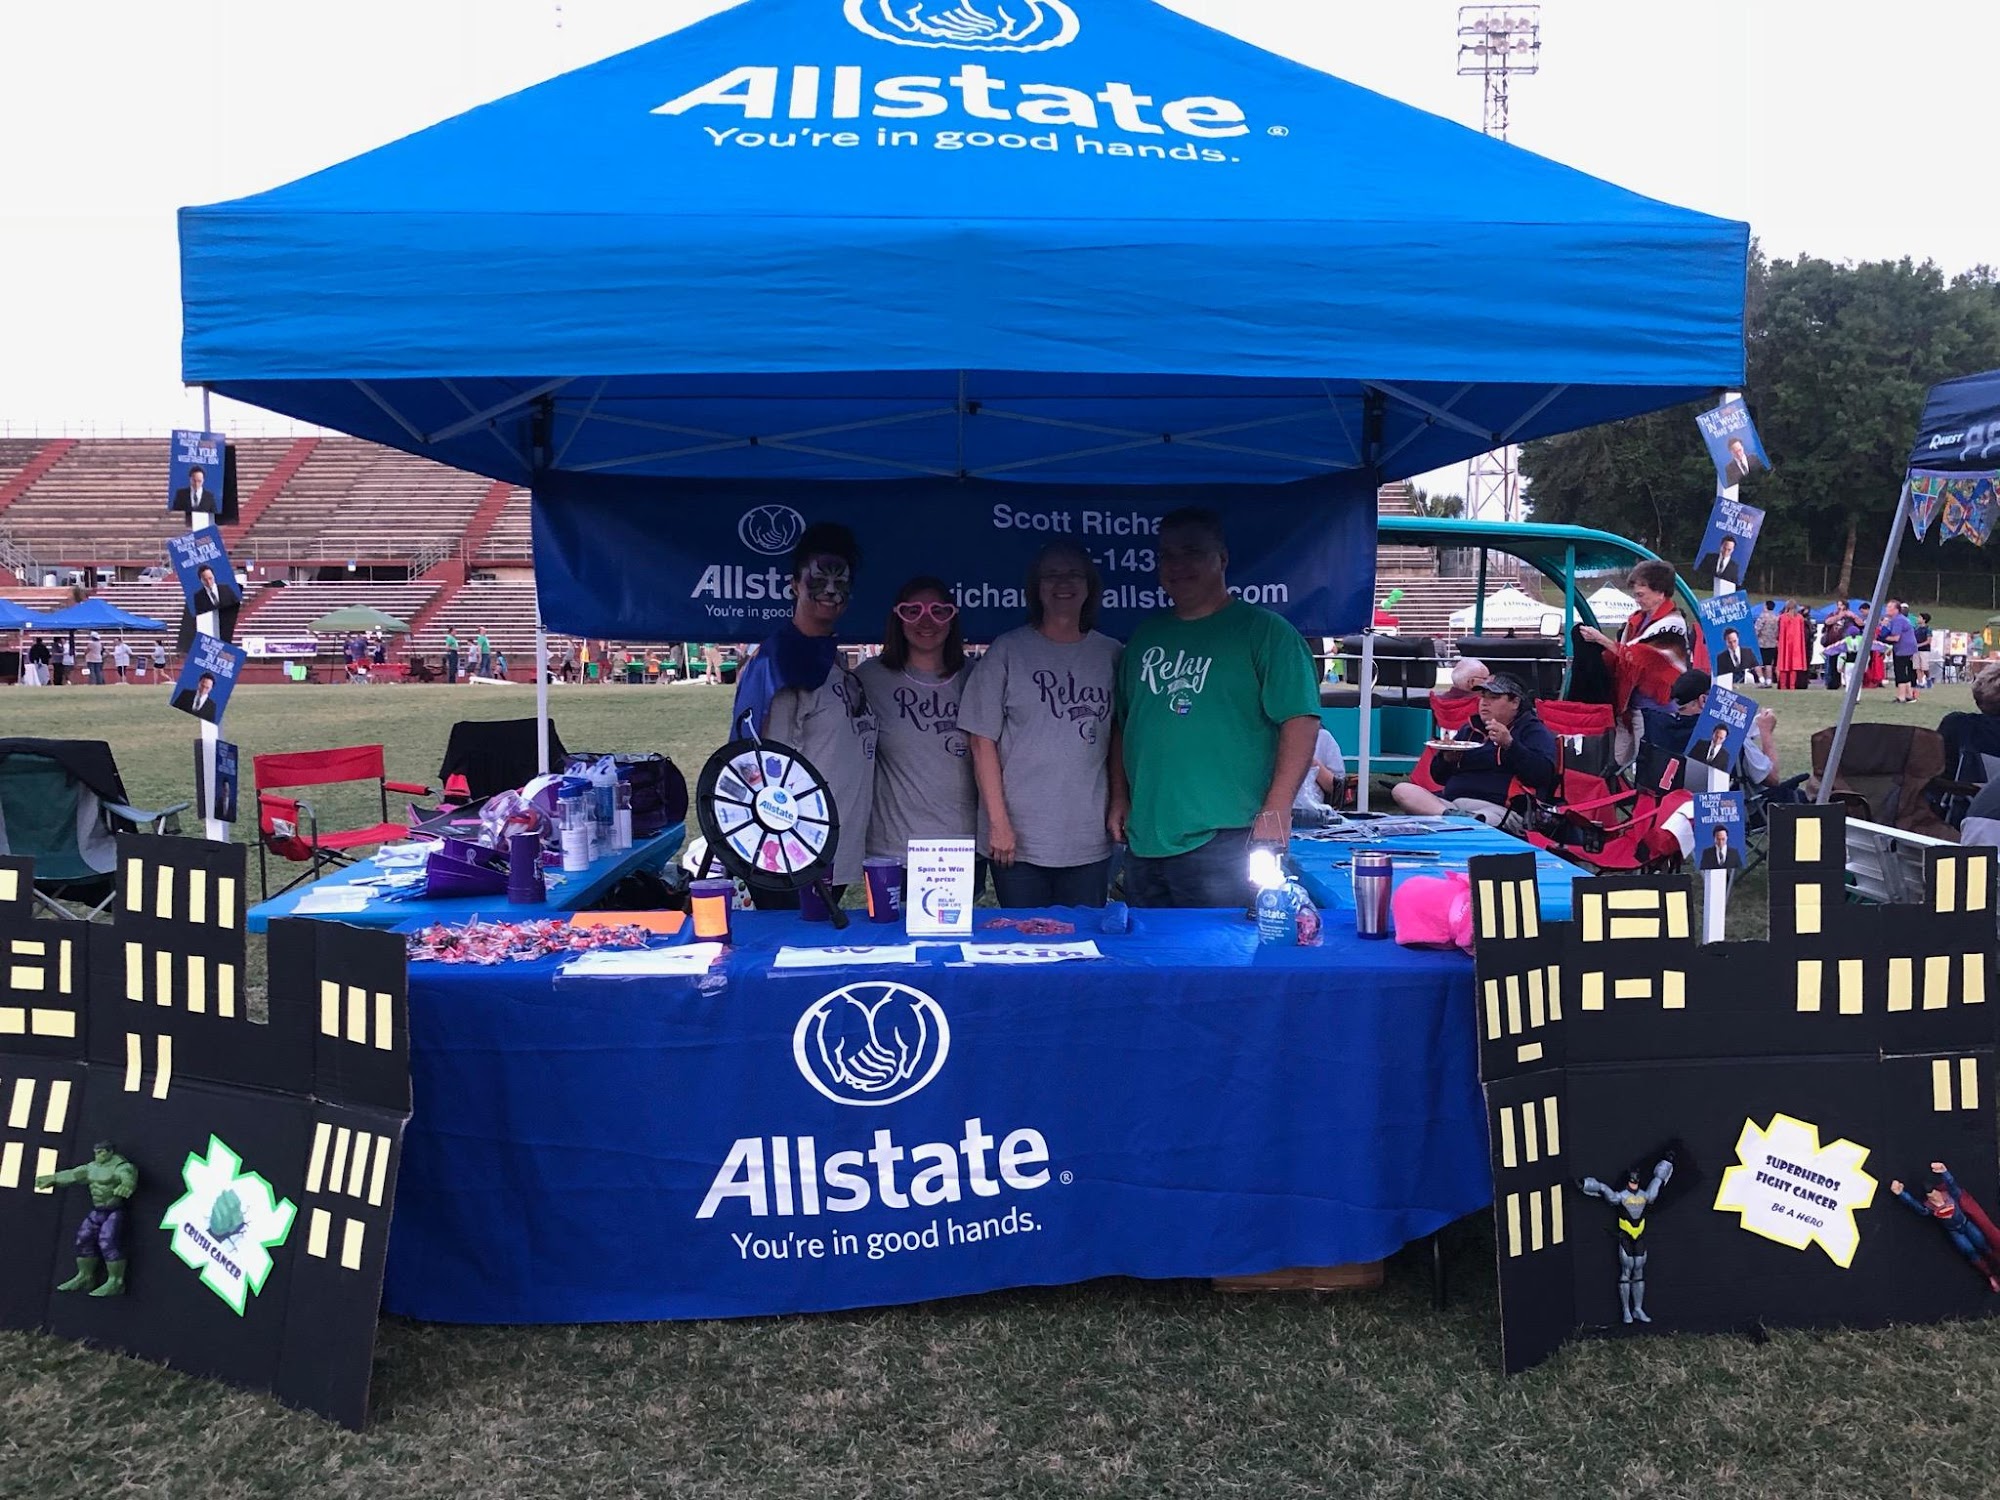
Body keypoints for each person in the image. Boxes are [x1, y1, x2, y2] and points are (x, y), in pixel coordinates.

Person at [1110, 508, 1321, 909]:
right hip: (1146, 839)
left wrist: (1277, 810)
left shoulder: (1266, 633)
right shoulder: (1145, 636)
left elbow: (1301, 720)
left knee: (1223, 947)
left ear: (1222, 559)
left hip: (1228, 838)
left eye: (1192, 552)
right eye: (1167, 555)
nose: (1177, 565)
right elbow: (1125, 724)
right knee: (1150, 948)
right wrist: (1119, 797)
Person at [961, 542, 1122, 908]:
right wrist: (999, 823)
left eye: (1073, 574)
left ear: (1090, 585)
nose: (1062, 583)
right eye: (1051, 575)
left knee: (1083, 940)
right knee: (1024, 939)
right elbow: (981, 742)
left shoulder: (1111, 653)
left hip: (1087, 838)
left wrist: (1119, 799)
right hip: (1018, 841)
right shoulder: (1007, 651)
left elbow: (1117, 736)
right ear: (1035, 587)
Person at [732, 523, 877, 906]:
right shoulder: (781, 664)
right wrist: (787, 854)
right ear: (794, 585)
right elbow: (764, 772)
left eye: (841, 581)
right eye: (818, 579)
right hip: (792, 856)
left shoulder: (829, 657)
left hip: (831, 850)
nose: (831, 590)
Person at [856, 577, 980, 885]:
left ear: (952, 618)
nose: (926, 621)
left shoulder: (979, 677)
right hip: (891, 848)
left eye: (938, 611)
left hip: (961, 847)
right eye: (913, 611)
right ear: (898, 618)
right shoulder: (868, 679)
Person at [1391, 674, 1557, 827]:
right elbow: (1439, 778)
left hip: (1499, 809)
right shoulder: (1469, 729)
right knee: (1403, 790)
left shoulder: (1533, 731)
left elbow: (1542, 776)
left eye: (1494, 697)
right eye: (1483, 696)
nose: (1484, 702)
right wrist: (1447, 759)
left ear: (1515, 702)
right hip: (1451, 804)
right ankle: (1453, 818)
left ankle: (1456, 822)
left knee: (1484, 819)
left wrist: (1510, 745)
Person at [1575, 560, 1690, 758]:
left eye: (1641, 594)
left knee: (1646, 764)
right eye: (1635, 594)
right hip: (1628, 708)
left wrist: (1601, 640)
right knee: (1618, 761)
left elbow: (1638, 655)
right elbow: (1625, 653)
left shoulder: (1673, 624)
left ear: (1660, 592)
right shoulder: (1635, 620)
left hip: (1656, 710)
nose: (1637, 600)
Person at [1292, 723, 1349, 825]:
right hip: (1272, 813)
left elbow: (1337, 789)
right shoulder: (1266, 737)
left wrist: (1311, 762)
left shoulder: (1323, 737)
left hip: (1313, 817)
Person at [1879, 600, 1919, 704]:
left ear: (1896, 609)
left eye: (1890, 607)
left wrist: (1882, 638)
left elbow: (1896, 638)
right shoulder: (1898, 619)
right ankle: (1909, 695)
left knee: (1900, 671)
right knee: (1904, 671)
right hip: (1908, 648)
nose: (1887, 609)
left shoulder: (1898, 620)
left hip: (1903, 648)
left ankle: (1901, 697)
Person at [1774, 602, 1808, 691]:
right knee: (1794, 665)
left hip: (1785, 643)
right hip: (1796, 644)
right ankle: (1792, 686)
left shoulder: (1782, 617)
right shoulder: (1800, 618)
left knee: (1784, 664)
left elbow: (1779, 632)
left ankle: (1783, 686)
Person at [1752, 601, 1781, 687]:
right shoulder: (1776, 617)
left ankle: (1761, 680)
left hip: (1761, 643)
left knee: (1756, 663)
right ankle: (1769, 681)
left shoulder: (1762, 616)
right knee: (1768, 663)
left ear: (1766, 606)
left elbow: (1757, 629)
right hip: (1772, 643)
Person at [1916, 611, 1935, 689]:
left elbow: (1928, 641)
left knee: (1924, 667)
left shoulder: (1928, 629)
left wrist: (1919, 645)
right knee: (1917, 667)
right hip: (1916, 650)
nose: (1918, 619)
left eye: (1919, 617)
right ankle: (1920, 683)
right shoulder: (1916, 629)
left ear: (1924, 620)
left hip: (1924, 650)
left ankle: (1928, 679)